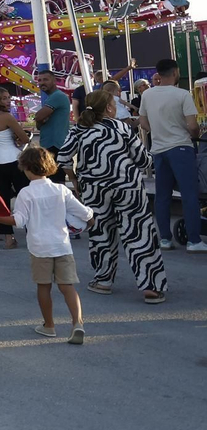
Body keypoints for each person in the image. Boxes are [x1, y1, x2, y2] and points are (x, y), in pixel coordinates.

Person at [56, 87, 168, 303]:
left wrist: (75, 179)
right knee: (139, 234)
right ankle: (150, 286)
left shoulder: (79, 129)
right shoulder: (121, 127)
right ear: (108, 108)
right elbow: (144, 160)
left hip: (94, 188)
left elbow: (63, 158)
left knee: (100, 233)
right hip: (128, 186)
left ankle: (103, 281)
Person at [13, 146, 93, 342]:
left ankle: (49, 325)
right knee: (68, 286)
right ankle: (77, 323)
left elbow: (20, 220)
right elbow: (84, 212)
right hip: (62, 245)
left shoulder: (25, 193)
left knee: (44, 286)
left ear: (26, 168)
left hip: (40, 247)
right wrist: (90, 220)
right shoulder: (61, 190)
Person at [137, 57, 204, 251]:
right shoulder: (183, 95)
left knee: (163, 195)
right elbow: (192, 126)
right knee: (189, 194)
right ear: (175, 72)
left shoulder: (147, 95)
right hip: (181, 148)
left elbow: (143, 122)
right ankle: (194, 240)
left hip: (158, 149)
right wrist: (193, 134)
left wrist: (157, 132)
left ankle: (165, 238)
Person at [0, 84, 31, 249]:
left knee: (1, 200)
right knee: (25, 195)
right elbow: (25, 138)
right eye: (4, 98)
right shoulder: (6, 116)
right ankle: (31, 230)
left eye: (8, 97)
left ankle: (8, 237)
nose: (8, 100)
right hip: (12, 159)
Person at [34, 66, 73, 182]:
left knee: (56, 182)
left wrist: (40, 119)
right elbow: (39, 124)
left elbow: (38, 117)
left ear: (54, 81)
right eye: (39, 80)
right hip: (52, 144)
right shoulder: (52, 98)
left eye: (45, 79)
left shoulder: (57, 97)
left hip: (55, 146)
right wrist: (40, 120)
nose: (42, 83)